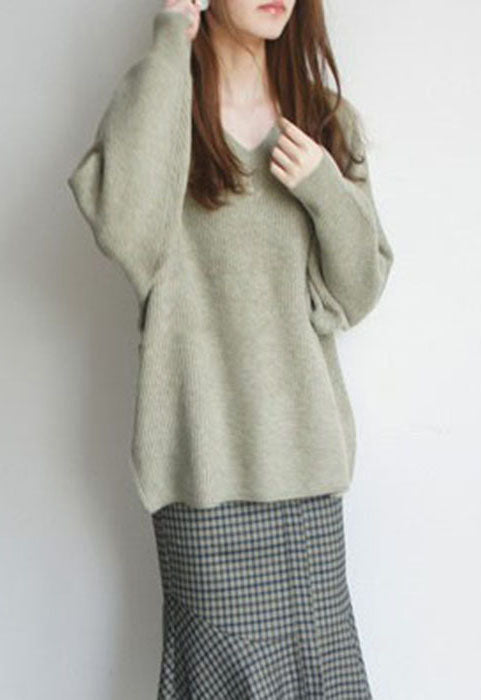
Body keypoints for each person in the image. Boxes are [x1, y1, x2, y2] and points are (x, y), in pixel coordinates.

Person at [67, 0, 394, 696]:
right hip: (205, 480)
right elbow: (125, 228)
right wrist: (171, 39)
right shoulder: (162, 112)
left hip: (306, 486)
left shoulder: (325, 122)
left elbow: (358, 290)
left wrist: (323, 188)